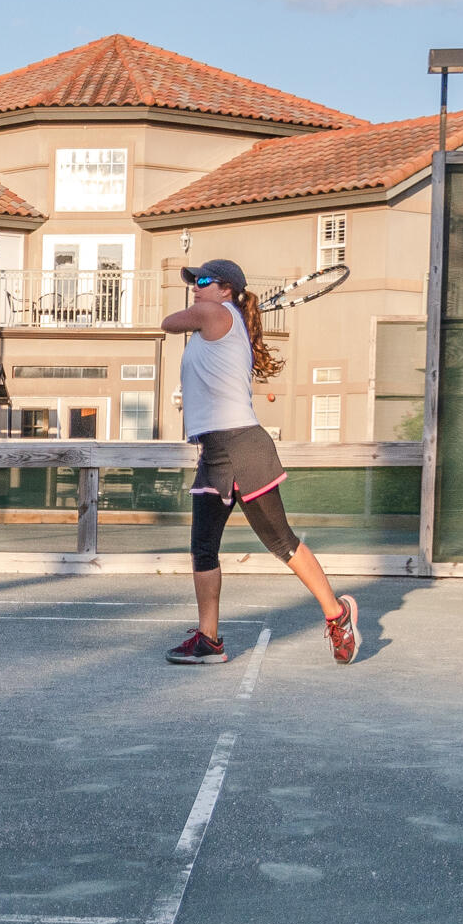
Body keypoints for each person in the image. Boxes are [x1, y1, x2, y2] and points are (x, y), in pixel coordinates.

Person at [160, 260, 358, 666]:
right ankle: (209, 641)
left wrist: (206, 310)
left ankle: (338, 615)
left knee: (281, 542)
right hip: (215, 451)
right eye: (192, 283)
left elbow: (167, 322)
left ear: (227, 289)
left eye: (202, 282)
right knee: (203, 549)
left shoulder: (213, 314)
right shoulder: (221, 322)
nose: (194, 288)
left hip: (244, 446)